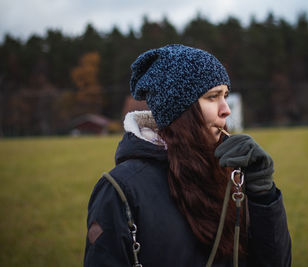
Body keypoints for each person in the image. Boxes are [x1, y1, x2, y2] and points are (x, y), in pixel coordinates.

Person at [84, 44, 291, 266]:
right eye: (213, 97)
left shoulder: (232, 173)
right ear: (179, 109)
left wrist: (263, 195)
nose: (226, 109)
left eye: (225, 95)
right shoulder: (120, 190)